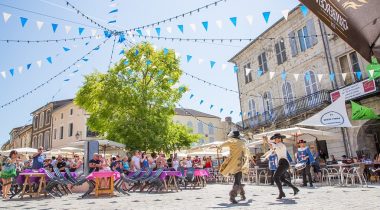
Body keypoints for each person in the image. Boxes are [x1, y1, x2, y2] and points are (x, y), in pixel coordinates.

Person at [218, 131, 250, 204]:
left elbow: (222, 145)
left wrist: (219, 147)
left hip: (232, 163)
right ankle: (232, 196)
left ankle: (242, 194)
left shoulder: (231, 141)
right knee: (238, 179)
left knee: (238, 179)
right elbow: (246, 152)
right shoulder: (242, 142)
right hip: (240, 163)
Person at [264, 133, 299, 199]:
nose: (275, 140)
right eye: (275, 139)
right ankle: (294, 188)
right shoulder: (277, 145)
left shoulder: (281, 144)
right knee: (281, 178)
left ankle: (281, 193)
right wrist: (265, 156)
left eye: (276, 138)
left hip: (283, 162)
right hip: (283, 163)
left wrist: (267, 141)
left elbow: (272, 146)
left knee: (275, 177)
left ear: (279, 139)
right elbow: (272, 149)